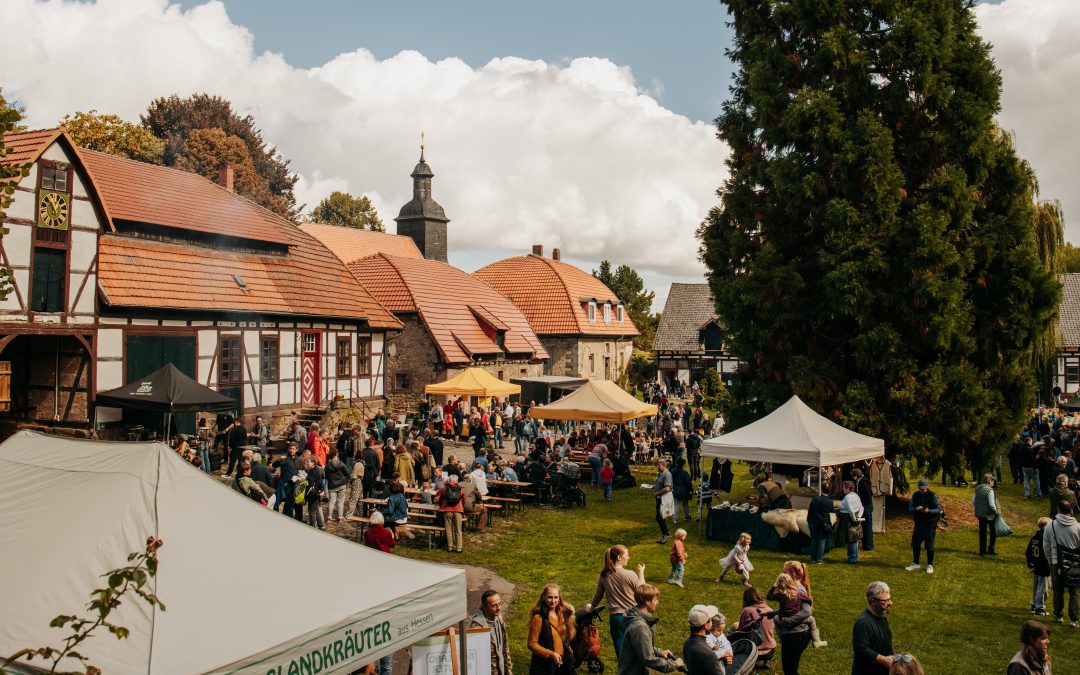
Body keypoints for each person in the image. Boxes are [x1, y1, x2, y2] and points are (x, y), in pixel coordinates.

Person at [587, 545, 646, 657]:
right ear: (619, 557)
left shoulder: (604, 575)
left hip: (616, 619)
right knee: (638, 649)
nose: (628, 558)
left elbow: (598, 595)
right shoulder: (630, 574)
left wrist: (591, 608)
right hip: (633, 616)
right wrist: (641, 573)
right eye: (627, 555)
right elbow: (643, 591)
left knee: (621, 651)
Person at [616, 584, 683, 675]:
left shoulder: (639, 618)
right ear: (647, 602)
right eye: (655, 600)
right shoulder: (639, 627)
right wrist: (674, 665)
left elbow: (642, 646)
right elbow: (648, 659)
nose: (657, 602)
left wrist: (659, 652)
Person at [766, 573, 814, 675]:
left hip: (789, 630)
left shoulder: (781, 596)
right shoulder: (799, 594)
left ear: (779, 584)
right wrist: (808, 601)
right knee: (791, 669)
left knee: (789, 670)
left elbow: (769, 596)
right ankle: (815, 637)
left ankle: (781, 637)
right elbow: (808, 600)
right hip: (798, 629)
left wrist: (773, 586)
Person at [1043, 500, 1080, 626]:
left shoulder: (1050, 525)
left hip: (1056, 563)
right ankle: (1074, 620)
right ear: (1071, 510)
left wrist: (1050, 560)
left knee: (1058, 591)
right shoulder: (1078, 527)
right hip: (1075, 565)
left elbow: (1046, 546)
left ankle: (1058, 616)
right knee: (1074, 592)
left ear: (1058, 510)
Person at [527, 583, 576, 675]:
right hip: (545, 666)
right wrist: (551, 654)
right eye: (550, 597)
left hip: (563, 662)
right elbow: (531, 644)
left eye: (556, 597)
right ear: (543, 597)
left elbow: (565, 637)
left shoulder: (563, 613)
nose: (553, 601)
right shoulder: (539, 618)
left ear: (559, 598)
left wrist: (568, 648)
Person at [851, 581, 894, 675]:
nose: (890, 603)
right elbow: (860, 648)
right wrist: (883, 659)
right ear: (873, 601)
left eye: (889, 599)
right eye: (885, 601)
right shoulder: (863, 623)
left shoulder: (882, 618)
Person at [782, 560, 827, 648]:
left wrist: (788, 621)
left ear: (793, 574)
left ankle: (816, 641)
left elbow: (806, 611)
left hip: (797, 632)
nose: (782, 575)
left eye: (784, 573)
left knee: (811, 619)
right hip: (793, 628)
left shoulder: (799, 591)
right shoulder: (793, 589)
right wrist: (768, 613)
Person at [472, 590, 513, 675]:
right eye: (494, 605)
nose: (499, 608)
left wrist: (509, 669)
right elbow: (475, 658)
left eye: (500, 603)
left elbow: (505, 647)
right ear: (484, 607)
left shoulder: (499, 619)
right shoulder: (477, 627)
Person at [905, 478, 941, 574]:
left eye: (924, 489)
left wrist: (929, 511)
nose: (922, 490)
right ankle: (916, 563)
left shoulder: (932, 495)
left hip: (930, 524)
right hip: (919, 523)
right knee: (915, 543)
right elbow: (910, 508)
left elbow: (938, 509)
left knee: (929, 545)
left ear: (927, 487)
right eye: (921, 489)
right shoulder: (915, 495)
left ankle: (930, 565)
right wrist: (916, 508)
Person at [682, 605, 724, 675]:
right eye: (711, 620)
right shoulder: (708, 654)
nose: (712, 623)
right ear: (705, 625)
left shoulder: (687, 644)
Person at [737, 586, 776, 660]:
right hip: (771, 649)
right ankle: (767, 661)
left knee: (735, 626)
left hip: (753, 652)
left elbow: (740, 630)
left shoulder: (747, 610)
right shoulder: (770, 610)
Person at [435, 473, 466, 552]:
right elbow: (463, 500)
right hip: (458, 510)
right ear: (456, 481)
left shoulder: (444, 489)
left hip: (447, 510)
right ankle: (459, 548)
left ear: (449, 480)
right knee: (458, 530)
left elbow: (438, 498)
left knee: (448, 529)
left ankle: (450, 547)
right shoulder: (461, 489)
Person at [839, 480, 865, 563]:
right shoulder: (856, 495)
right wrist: (858, 517)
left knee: (851, 538)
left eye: (844, 488)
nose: (843, 489)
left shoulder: (847, 497)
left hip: (848, 518)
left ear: (848, 488)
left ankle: (852, 558)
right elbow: (861, 507)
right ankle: (854, 557)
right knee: (855, 537)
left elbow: (850, 510)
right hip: (854, 517)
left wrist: (854, 519)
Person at [973, 474, 1000, 556]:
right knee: (993, 532)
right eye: (993, 481)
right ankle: (991, 549)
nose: (993, 483)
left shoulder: (978, 488)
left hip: (980, 514)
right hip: (989, 514)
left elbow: (973, 501)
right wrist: (996, 512)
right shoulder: (990, 490)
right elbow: (992, 504)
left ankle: (982, 551)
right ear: (990, 481)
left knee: (982, 532)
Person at [807, 492, 834, 564]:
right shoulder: (830, 501)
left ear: (821, 491)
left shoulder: (814, 499)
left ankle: (813, 559)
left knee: (813, 540)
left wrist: (808, 520)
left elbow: (810, 510)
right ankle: (819, 560)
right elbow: (830, 510)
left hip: (813, 522)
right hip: (823, 523)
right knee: (821, 541)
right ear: (829, 492)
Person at [852, 468, 874, 551]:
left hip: (866, 506)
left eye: (853, 476)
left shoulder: (862, 483)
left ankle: (868, 546)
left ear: (856, 475)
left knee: (867, 526)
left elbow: (865, 494)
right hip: (868, 505)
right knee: (866, 526)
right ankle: (866, 544)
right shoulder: (865, 480)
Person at [325, 449, 349, 523]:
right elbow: (347, 473)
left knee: (331, 501)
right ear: (335, 455)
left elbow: (325, 475)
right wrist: (347, 480)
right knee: (340, 501)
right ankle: (340, 517)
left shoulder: (327, 466)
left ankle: (329, 517)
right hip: (342, 484)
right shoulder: (341, 463)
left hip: (332, 485)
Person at [653, 460, 674, 544]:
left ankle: (666, 534)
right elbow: (659, 484)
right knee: (660, 516)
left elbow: (667, 488)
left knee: (660, 516)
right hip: (659, 498)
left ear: (664, 465)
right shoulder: (660, 474)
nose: (657, 467)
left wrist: (657, 493)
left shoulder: (667, 474)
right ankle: (666, 534)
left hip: (664, 498)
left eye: (659, 465)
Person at [671, 458, 693, 524]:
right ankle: (687, 515)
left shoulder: (672, 471)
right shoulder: (685, 473)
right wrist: (691, 489)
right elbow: (688, 483)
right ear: (683, 464)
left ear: (676, 463)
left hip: (675, 490)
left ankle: (675, 519)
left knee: (676, 505)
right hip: (684, 491)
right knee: (685, 504)